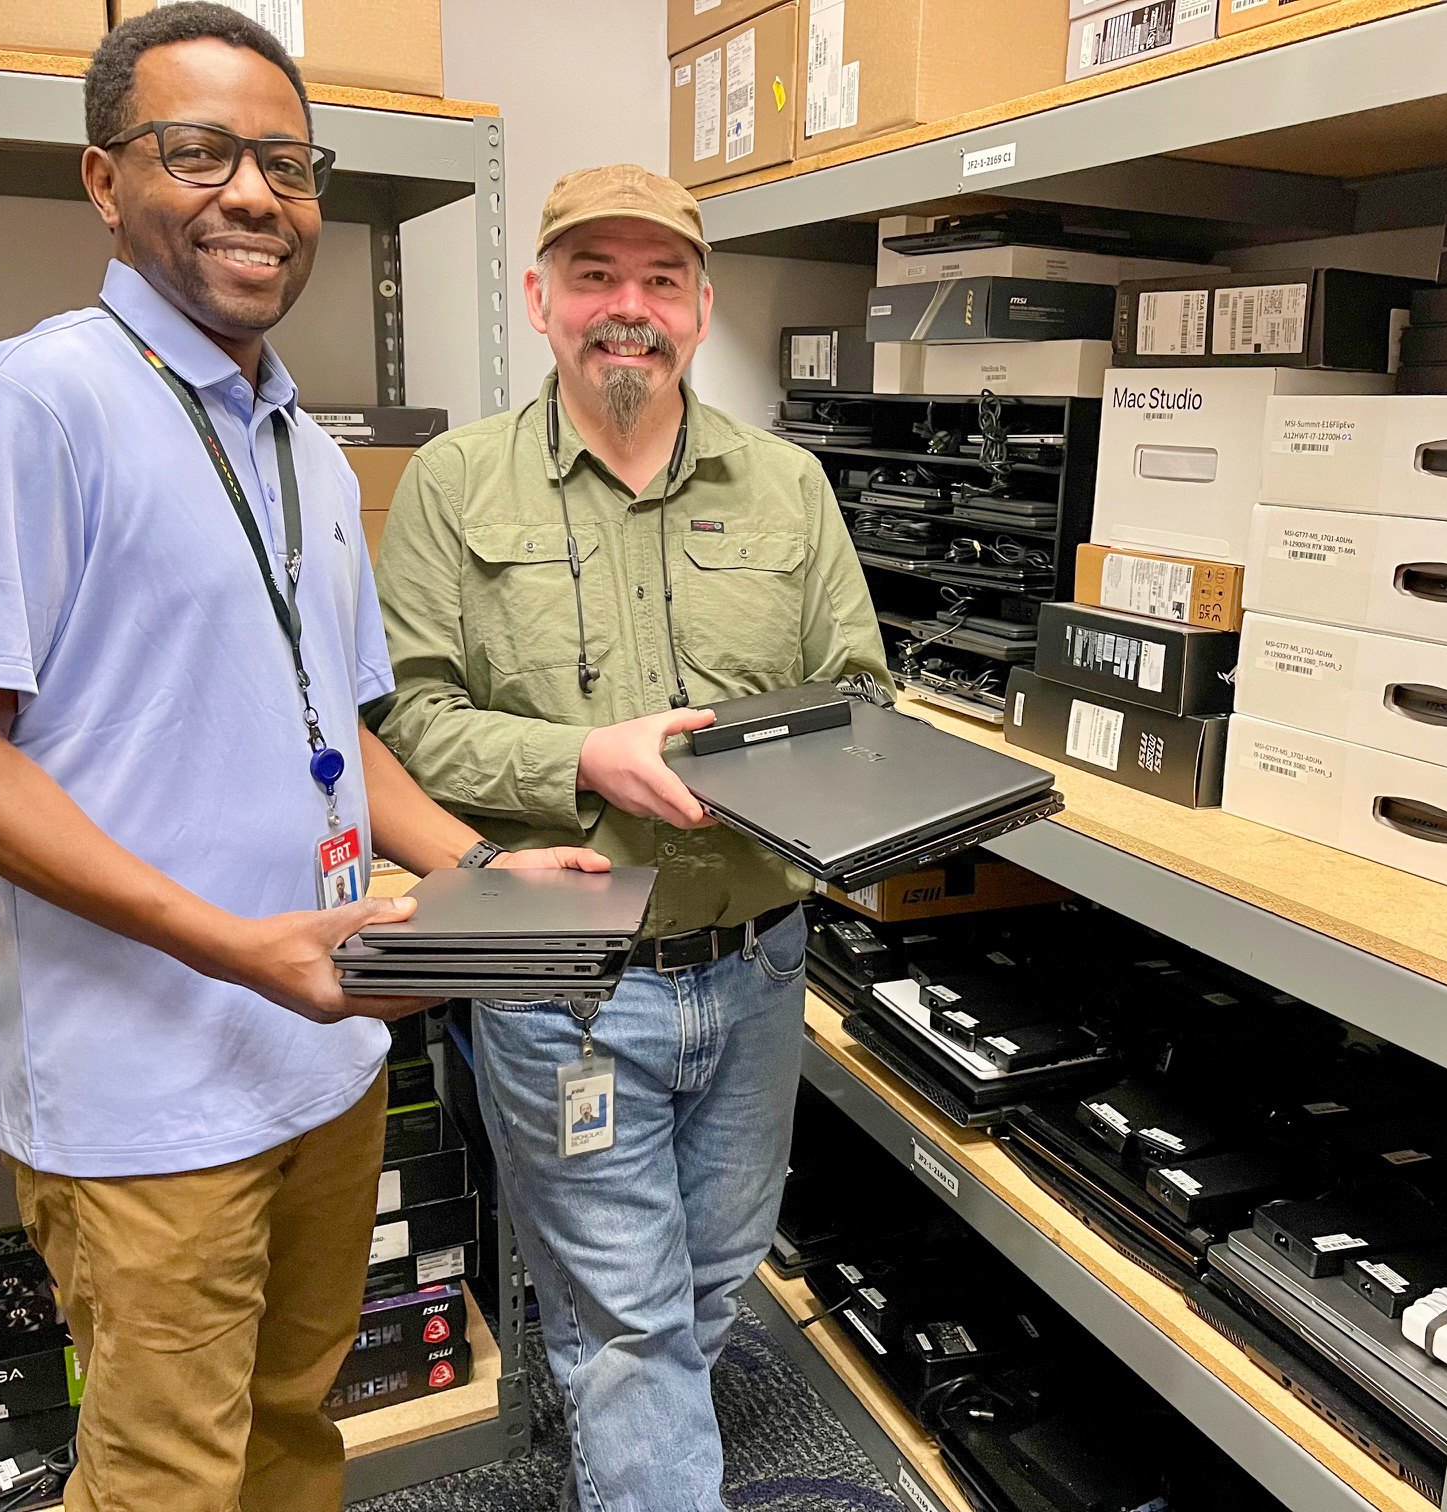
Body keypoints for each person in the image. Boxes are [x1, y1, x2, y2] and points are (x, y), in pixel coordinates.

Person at [0, 9, 603, 1511]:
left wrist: (475, 866)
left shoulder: (309, 454)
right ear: (103, 179)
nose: (255, 194)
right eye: (198, 152)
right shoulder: (32, 408)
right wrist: (235, 945)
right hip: (153, 1100)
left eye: (286, 159)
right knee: (163, 1483)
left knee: (291, 1430)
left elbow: (343, 729)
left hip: (325, 1061)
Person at [373, 164, 891, 1510]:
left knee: (712, 1279)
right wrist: (580, 759)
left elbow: (861, 701)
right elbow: (408, 721)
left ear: (701, 307)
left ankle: (619, 1405)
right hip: (559, 963)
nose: (628, 308)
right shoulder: (454, 484)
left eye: (660, 279)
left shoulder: (787, 487)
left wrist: (782, 769)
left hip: (760, 961)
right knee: (632, 1326)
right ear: (540, 301)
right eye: (595, 276)